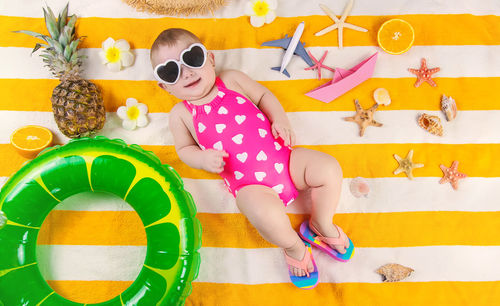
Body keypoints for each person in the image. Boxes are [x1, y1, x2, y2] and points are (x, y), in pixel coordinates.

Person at [150, 28, 353, 288]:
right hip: (250, 185)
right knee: (260, 212)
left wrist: (280, 119)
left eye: (192, 58)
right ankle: (293, 246)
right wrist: (202, 159)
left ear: (210, 58)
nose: (186, 72)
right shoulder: (181, 114)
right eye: (171, 71)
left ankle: (321, 223)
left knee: (329, 169)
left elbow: (263, 96)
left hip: (287, 161)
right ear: (164, 86)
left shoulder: (231, 80)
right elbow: (184, 149)